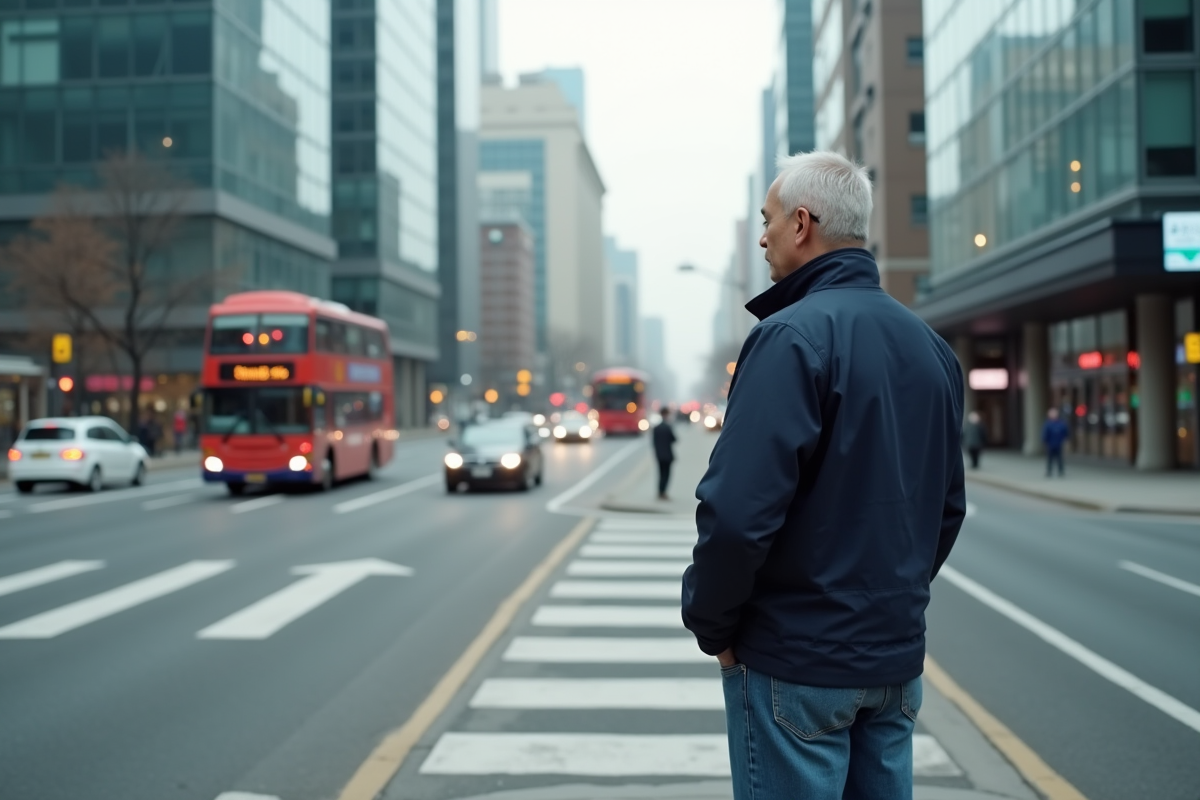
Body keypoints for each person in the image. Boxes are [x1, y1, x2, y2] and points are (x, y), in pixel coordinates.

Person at [682, 151, 966, 800]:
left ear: (802, 223)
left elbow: (737, 513)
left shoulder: (789, 337)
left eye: (769, 220)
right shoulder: (933, 349)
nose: (763, 237)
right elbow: (946, 509)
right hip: (893, 662)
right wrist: (886, 606)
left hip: (795, 659)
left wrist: (713, 626)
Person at [652, 407, 677, 500]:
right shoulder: (668, 427)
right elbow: (674, 439)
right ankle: (663, 492)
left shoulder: (656, 428)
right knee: (666, 475)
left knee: (660, 474)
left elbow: (654, 442)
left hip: (659, 455)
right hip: (668, 455)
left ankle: (660, 491)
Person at [1042, 407, 1070, 477]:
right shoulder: (1048, 424)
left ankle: (1061, 471)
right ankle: (1049, 471)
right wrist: (1044, 442)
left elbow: (1066, 433)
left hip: (1059, 444)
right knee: (1050, 459)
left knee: (1059, 458)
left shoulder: (1061, 423)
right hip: (1050, 444)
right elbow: (1044, 434)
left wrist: (1066, 440)